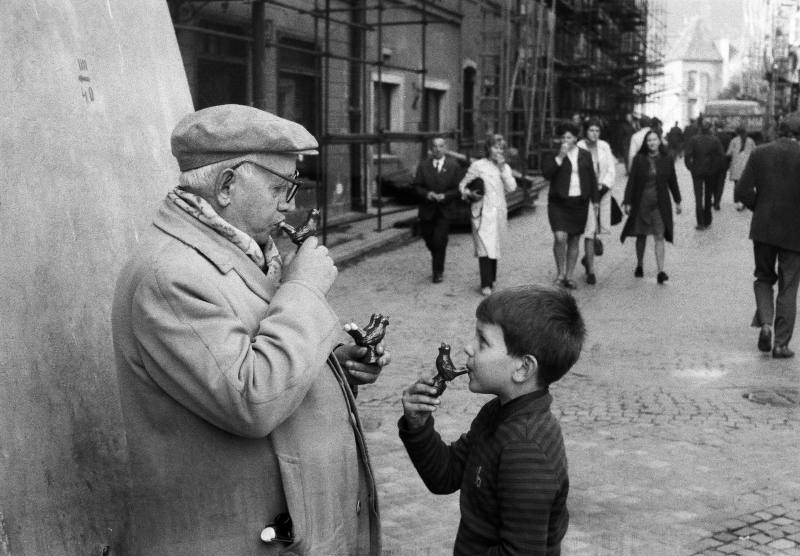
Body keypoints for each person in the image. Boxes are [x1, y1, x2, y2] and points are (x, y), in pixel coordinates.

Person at [111, 105, 391, 555]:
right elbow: (250, 398)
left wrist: (330, 363)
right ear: (226, 186)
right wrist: (304, 288)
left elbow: (252, 349)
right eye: (280, 187)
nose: (290, 204)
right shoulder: (168, 277)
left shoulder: (241, 250)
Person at [399, 284, 584, 555]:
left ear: (523, 368)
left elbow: (519, 552)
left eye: (482, 342)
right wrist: (418, 426)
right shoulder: (498, 412)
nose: (468, 348)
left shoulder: (525, 449)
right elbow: (446, 476)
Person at [734, 112, 800, 358]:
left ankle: (765, 324)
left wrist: (761, 208)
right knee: (788, 286)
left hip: (763, 227)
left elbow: (742, 191)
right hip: (795, 231)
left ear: (780, 129)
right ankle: (781, 344)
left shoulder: (760, 152)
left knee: (763, 277)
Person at [621, 129, 682, 284]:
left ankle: (661, 271)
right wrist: (627, 202)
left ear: (660, 141)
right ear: (645, 143)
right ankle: (639, 264)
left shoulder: (667, 159)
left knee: (659, 235)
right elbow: (632, 181)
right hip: (641, 203)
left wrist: (678, 201)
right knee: (641, 234)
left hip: (660, 204)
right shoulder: (639, 159)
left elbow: (672, 180)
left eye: (654, 139)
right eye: (649, 140)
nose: (652, 143)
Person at [542, 122, 599, 289]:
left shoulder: (585, 155)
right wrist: (560, 157)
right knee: (560, 237)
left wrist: (595, 200)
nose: (565, 140)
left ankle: (569, 276)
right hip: (558, 201)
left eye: (569, 137)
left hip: (579, 202)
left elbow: (592, 178)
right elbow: (547, 174)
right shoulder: (553, 153)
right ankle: (560, 273)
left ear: (576, 138)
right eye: (563, 137)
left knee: (574, 240)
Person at [458, 136, 517, 296]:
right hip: (481, 212)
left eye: (501, 148)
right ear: (488, 148)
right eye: (495, 147)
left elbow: (512, 187)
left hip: (498, 212)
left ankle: (492, 277)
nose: (498, 151)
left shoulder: (505, 168)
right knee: (483, 246)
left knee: (494, 245)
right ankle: (485, 283)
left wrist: (503, 168)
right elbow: (462, 185)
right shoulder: (478, 165)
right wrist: (469, 193)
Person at [413, 136, 463, 283]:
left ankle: (438, 271)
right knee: (429, 239)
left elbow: (458, 189)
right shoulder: (423, 166)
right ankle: (437, 256)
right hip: (427, 209)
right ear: (431, 149)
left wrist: (445, 196)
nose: (438, 149)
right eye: (435, 146)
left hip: (445, 210)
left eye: (441, 146)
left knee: (440, 240)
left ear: (445, 148)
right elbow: (416, 186)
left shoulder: (453, 166)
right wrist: (427, 194)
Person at [577, 119, 616, 285]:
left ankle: (588, 257)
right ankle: (591, 270)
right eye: (591, 130)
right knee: (590, 230)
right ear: (585, 131)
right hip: (585, 193)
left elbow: (611, 169)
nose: (594, 134)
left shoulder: (604, 146)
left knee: (598, 229)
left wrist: (604, 187)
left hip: (603, 191)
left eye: (597, 131)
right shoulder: (579, 147)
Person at [684, 118, 724, 230]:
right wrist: (715, 167)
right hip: (710, 171)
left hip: (696, 170)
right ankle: (707, 220)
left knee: (698, 197)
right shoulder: (715, 140)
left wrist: (690, 167)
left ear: (700, 128)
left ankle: (700, 222)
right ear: (710, 128)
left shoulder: (694, 139)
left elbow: (687, 155)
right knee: (708, 196)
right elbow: (721, 155)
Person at [727, 125, 756, 211]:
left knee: (737, 184)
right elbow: (755, 151)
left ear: (737, 132)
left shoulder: (734, 140)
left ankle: (737, 201)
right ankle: (744, 201)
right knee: (746, 184)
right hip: (747, 166)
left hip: (736, 166)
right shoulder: (750, 141)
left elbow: (729, 153)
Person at [713, 122, 735, 210]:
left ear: (717, 127)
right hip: (724, 163)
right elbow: (730, 151)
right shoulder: (728, 137)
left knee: (714, 182)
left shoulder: (713, 136)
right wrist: (729, 162)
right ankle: (717, 201)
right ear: (724, 127)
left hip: (713, 163)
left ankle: (714, 198)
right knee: (721, 182)